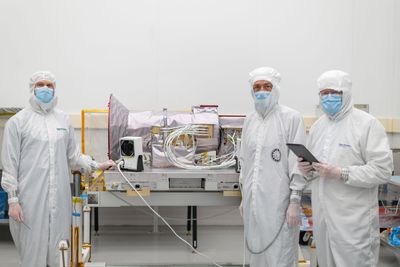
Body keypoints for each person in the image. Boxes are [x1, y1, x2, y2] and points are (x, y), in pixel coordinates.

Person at [1, 71, 115, 267]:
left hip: (60, 199)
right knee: (32, 251)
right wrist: (12, 201)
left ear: (55, 89)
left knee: (60, 250)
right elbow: (9, 164)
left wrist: (97, 165)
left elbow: (74, 156)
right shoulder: (18, 122)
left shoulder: (62, 119)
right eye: (40, 84)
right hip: (30, 199)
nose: (45, 88)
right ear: (32, 88)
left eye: (49, 85)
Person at [297, 70, 393, 267]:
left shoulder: (367, 124)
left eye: (334, 92)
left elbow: (383, 170)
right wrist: (308, 170)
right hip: (323, 221)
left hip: (353, 224)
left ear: (347, 93)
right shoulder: (318, 127)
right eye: (324, 93)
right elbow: (318, 168)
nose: (328, 97)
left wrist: (342, 173)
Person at [239, 67, 307, 266]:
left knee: (280, 253)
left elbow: (299, 164)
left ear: (275, 89)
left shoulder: (291, 118)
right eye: (257, 87)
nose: (261, 91)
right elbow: (245, 161)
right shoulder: (249, 120)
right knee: (256, 252)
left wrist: (295, 201)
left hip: (280, 203)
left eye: (267, 86)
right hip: (253, 203)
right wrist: (245, 196)